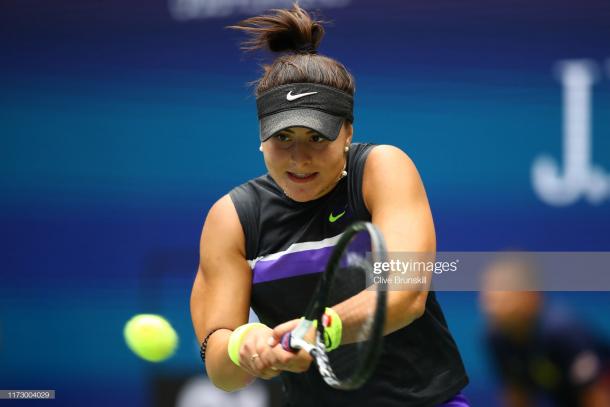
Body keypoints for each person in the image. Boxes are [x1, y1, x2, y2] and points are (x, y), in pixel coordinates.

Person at [190, 4, 469, 406]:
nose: (299, 157)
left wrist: (317, 331)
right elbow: (220, 369)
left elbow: (405, 295)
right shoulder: (233, 218)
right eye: (282, 138)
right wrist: (246, 346)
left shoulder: (381, 169)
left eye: (317, 137)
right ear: (261, 137)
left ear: (347, 133)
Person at [480, 255, 610, 407]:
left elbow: (596, 396)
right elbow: (517, 393)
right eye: (489, 293)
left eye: (503, 291)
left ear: (531, 295)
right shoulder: (495, 338)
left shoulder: (563, 332)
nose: (492, 304)